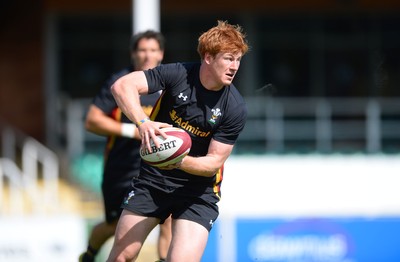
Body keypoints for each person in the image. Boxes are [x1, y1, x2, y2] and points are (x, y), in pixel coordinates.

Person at [107, 20, 249, 262]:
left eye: (237, 59)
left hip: (198, 193)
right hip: (152, 182)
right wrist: (143, 123)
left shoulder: (234, 108)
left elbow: (213, 163)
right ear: (208, 57)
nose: (234, 66)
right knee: (122, 257)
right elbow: (122, 86)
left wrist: (175, 158)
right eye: (228, 58)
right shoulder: (178, 74)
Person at [79, 30, 172, 262]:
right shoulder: (119, 83)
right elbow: (92, 120)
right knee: (117, 225)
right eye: (142, 50)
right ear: (133, 54)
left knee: (169, 217)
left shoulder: (170, 84)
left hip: (157, 167)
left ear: (161, 54)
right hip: (122, 169)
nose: (147, 55)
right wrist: (133, 130)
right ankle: (90, 253)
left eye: (153, 50)